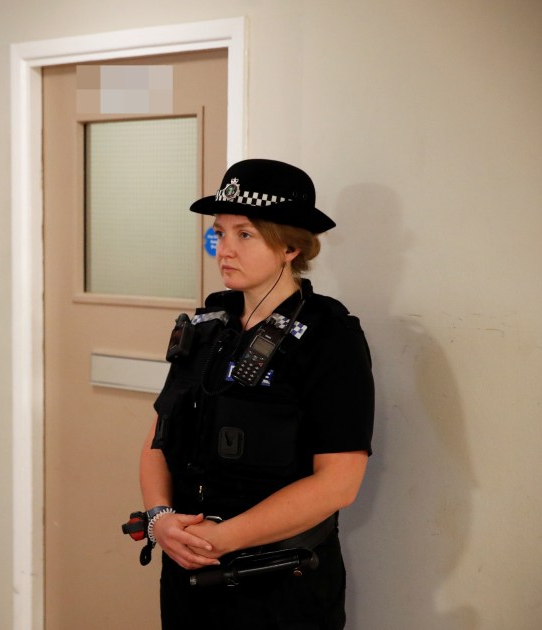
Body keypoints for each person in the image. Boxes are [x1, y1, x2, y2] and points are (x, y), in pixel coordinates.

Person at [138, 159, 374, 629]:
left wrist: (220, 539)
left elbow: (338, 483)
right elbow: (158, 436)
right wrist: (159, 518)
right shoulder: (206, 328)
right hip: (189, 578)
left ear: (290, 245)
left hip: (280, 586)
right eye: (220, 233)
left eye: (244, 234)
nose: (225, 249)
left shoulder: (331, 338)